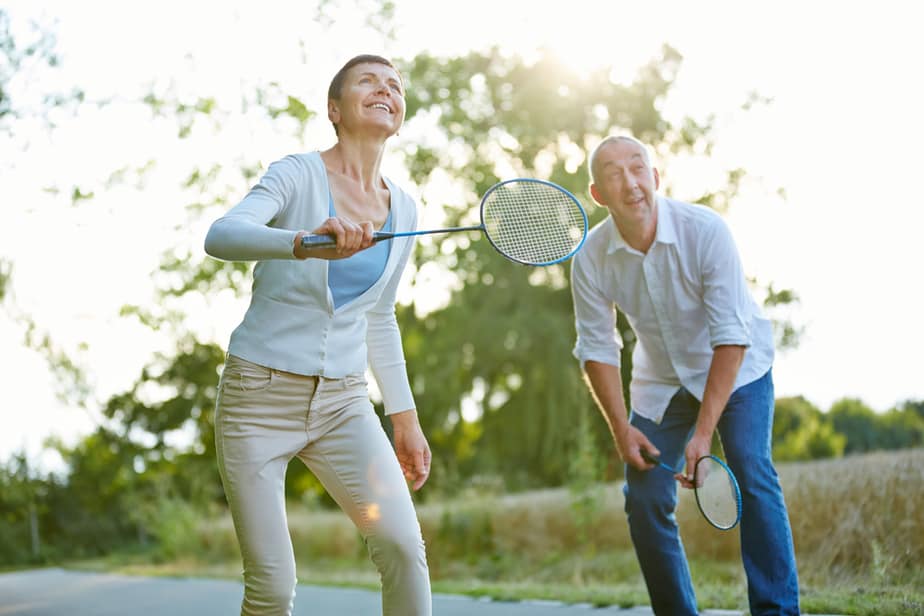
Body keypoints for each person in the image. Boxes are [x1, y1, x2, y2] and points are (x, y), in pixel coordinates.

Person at [203, 54, 431, 616]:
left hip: (343, 405)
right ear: (335, 109)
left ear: (400, 114)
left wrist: (404, 418)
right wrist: (302, 241)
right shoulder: (296, 174)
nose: (386, 89)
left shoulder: (406, 208)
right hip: (258, 399)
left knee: (403, 547)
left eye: (394, 85)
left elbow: (380, 316)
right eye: (368, 81)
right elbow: (222, 235)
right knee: (273, 588)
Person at [570, 135, 800, 615]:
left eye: (638, 168)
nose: (630, 182)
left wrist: (703, 435)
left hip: (738, 369)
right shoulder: (590, 258)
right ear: (598, 194)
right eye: (614, 173)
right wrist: (620, 427)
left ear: (655, 178)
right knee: (644, 497)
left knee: (750, 468)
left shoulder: (705, 230)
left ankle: (777, 610)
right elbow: (597, 346)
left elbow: (731, 336)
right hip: (662, 380)